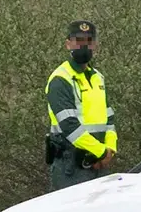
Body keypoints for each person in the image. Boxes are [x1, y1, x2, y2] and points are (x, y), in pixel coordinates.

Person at [44, 19, 116, 191]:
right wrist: (101, 152)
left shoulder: (97, 77)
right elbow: (69, 126)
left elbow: (109, 117)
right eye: (79, 41)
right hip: (71, 165)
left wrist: (110, 149)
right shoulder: (60, 79)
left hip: (99, 164)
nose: (84, 46)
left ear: (95, 45)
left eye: (89, 41)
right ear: (68, 44)